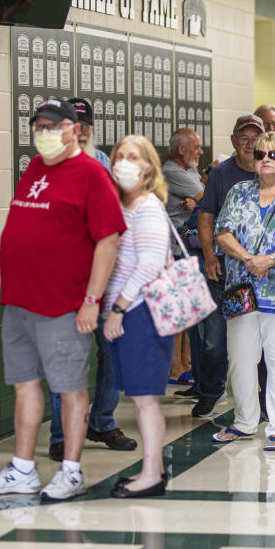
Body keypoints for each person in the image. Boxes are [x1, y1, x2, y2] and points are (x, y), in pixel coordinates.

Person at [0, 99, 124, 501]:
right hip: (19, 297)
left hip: (63, 302)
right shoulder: (36, 167)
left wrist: (92, 300)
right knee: (25, 385)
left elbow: (108, 240)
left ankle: (70, 471)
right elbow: (23, 222)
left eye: (52, 125)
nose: (43, 131)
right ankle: (23, 469)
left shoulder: (92, 174)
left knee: (70, 387)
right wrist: (1, 267)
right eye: (38, 124)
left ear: (75, 130)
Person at [212, 131, 275, 450]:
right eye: (260, 154)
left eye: (273, 155)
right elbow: (222, 232)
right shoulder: (237, 193)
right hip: (240, 290)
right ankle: (244, 422)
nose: (266, 160)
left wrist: (270, 260)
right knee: (239, 360)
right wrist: (248, 258)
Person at [46, 97, 133, 462]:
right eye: (71, 126)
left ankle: (102, 420)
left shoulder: (104, 167)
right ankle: (60, 434)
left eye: (84, 127)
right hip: (63, 281)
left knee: (113, 354)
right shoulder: (46, 168)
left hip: (104, 279)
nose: (78, 133)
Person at [103, 136, 175, 499]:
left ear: (148, 167)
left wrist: (118, 309)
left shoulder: (147, 206)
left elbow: (148, 264)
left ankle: (150, 474)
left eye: (132, 157)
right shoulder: (119, 204)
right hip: (125, 313)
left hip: (140, 312)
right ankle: (153, 471)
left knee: (145, 398)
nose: (123, 162)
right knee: (138, 397)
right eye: (119, 156)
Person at [192, 115, 263, 417]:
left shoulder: (270, 170)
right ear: (233, 141)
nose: (249, 144)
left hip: (260, 273)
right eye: (243, 138)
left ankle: (258, 397)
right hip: (224, 271)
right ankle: (212, 389)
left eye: (254, 138)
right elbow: (206, 217)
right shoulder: (221, 174)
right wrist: (209, 256)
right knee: (214, 338)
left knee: (256, 337)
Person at [162, 128, 204, 387]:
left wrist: (197, 203)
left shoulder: (190, 170)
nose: (200, 151)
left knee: (191, 311)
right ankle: (175, 368)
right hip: (175, 250)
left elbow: (202, 200)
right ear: (181, 149)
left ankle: (186, 363)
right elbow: (207, 198)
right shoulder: (173, 172)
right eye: (196, 147)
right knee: (180, 312)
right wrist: (197, 203)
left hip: (189, 247)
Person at [68, 98, 110, 172]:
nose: (79, 133)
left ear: (91, 129)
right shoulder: (50, 161)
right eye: (73, 127)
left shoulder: (102, 158)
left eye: (84, 127)